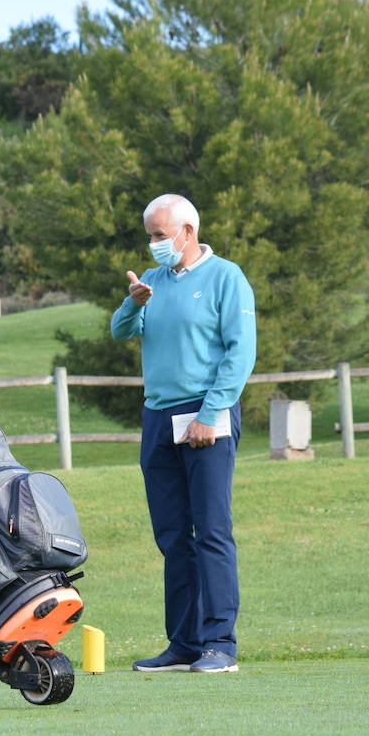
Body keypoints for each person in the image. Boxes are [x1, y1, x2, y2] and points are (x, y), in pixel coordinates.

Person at [111, 193, 256, 674]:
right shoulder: (151, 280)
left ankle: (220, 644)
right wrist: (133, 306)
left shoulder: (226, 277)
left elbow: (240, 354)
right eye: (149, 235)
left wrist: (210, 412)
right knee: (173, 535)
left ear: (187, 232)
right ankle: (184, 644)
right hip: (158, 416)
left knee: (211, 530)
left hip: (206, 413)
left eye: (159, 235)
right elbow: (119, 331)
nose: (153, 244)